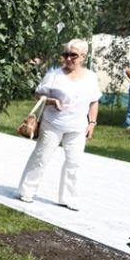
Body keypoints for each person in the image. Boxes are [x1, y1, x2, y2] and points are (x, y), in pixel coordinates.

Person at [17, 39, 101, 211]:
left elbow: (94, 102)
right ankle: (26, 190)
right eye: (66, 54)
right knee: (41, 157)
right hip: (53, 123)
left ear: (83, 57)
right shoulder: (54, 74)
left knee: (74, 162)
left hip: (78, 126)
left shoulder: (91, 78)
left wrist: (92, 123)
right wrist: (51, 101)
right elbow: (38, 95)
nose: (68, 58)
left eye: (73, 55)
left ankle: (68, 198)